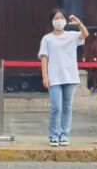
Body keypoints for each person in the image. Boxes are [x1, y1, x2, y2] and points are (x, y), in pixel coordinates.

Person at [38, 10, 89, 146]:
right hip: (54, 78)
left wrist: (80, 24)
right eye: (56, 18)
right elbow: (44, 58)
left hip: (70, 77)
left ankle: (64, 134)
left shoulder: (72, 35)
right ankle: (54, 135)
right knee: (56, 108)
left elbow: (85, 34)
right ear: (51, 21)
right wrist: (45, 77)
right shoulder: (47, 38)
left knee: (67, 108)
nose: (59, 20)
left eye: (61, 18)